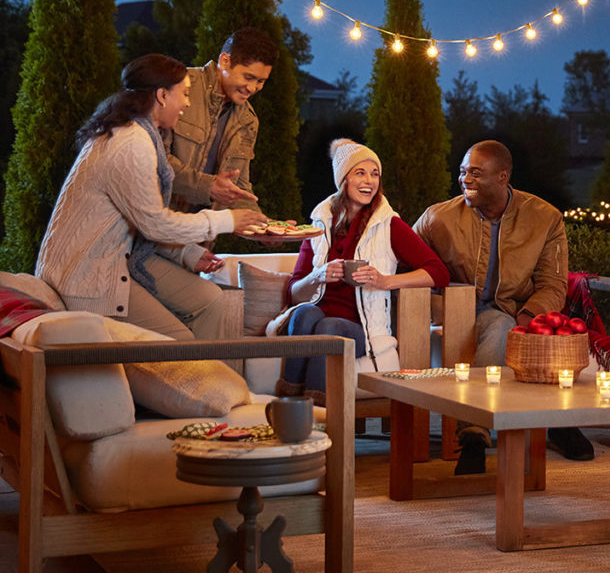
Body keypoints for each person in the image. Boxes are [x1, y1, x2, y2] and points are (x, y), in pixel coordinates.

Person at [36, 54, 267, 340]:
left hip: (124, 257)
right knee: (179, 343)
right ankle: (200, 380)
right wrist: (226, 220)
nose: (186, 103)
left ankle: (214, 382)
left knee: (210, 298)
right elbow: (154, 223)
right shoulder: (132, 143)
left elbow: (139, 220)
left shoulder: (137, 133)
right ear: (161, 95)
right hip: (90, 276)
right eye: (183, 94)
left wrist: (187, 252)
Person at [413, 140, 593, 475]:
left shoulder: (544, 218)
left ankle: (559, 422)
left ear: (503, 176)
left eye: (476, 173)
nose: (465, 178)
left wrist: (528, 320)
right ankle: (473, 437)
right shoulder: (438, 218)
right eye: (463, 171)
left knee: (542, 335)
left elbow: (553, 284)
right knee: (501, 329)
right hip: (461, 311)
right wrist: (439, 303)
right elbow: (405, 267)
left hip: (516, 310)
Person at [270, 139, 449, 404]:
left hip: (363, 329)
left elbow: (438, 272)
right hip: (314, 318)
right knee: (306, 313)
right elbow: (295, 294)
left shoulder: (389, 225)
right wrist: (317, 276)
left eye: (375, 173)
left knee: (328, 327)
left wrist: (385, 281)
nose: (369, 181)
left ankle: (315, 414)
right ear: (343, 179)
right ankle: (292, 397)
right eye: (360, 172)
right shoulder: (319, 225)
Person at [165, 27, 278, 212]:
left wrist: (262, 226)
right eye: (248, 77)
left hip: (203, 235)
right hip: (154, 226)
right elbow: (154, 160)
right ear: (225, 61)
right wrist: (207, 186)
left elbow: (238, 187)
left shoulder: (248, 120)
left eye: (260, 81)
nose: (252, 88)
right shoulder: (179, 87)